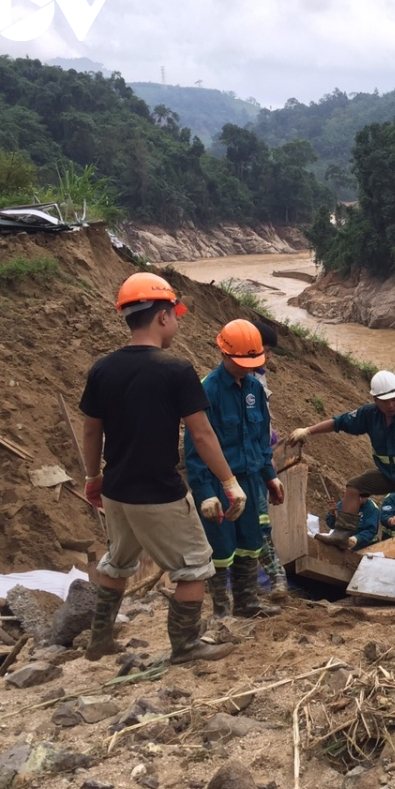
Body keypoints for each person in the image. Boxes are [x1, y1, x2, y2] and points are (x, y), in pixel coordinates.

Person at [80, 272, 242, 664]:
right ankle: (185, 646)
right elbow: (201, 436)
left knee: (117, 562)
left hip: (117, 489)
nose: (177, 323)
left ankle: (99, 640)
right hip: (158, 492)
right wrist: (229, 481)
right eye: (175, 315)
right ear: (163, 317)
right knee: (195, 566)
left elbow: (91, 430)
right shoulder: (176, 370)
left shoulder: (103, 369)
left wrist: (93, 477)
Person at [184, 319, 284, 619]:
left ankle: (247, 603)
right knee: (221, 548)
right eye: (242, 361)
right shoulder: (207, 391)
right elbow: (195, 446)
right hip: (219, 484)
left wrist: (270, 477)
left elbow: (260, 440)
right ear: (224, 354)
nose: (247, 367)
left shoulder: (255, 388)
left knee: (250, 544)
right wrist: (204, 492)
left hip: (251, 481)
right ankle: (222, 610)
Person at [286, 370, 395, 561]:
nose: (391, 405)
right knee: (355, 486)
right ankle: (341, 535)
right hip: (387, 474)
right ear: (375, 399)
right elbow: (339, 422)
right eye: (385, 401)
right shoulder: (369, 414)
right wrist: (308, 431)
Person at [249, 320, 288, 598]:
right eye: (266, 349)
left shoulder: (258, 377)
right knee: (253, 522)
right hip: (243, 464)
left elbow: (260, 417)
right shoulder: (223, 384)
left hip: (256, 459)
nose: (270, 355)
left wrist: (269, 437)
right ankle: (270, 580)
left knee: (260, 521)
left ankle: (275, 579)